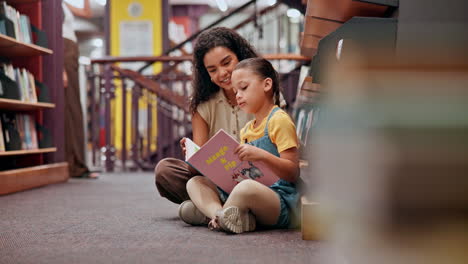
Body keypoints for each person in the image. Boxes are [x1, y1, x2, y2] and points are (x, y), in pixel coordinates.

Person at [182, 58, 300, 234]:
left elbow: (293, 172)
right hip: (243, 193)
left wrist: (261, 155)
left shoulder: (279, 120)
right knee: (195, 183)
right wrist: (200, 158)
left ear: (267, 84)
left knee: (245, 188)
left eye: (243, 88)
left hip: (278, 200)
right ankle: (226, 216)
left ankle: (218, 216)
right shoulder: (247, 130)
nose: (237, 95)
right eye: (235, 91)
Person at [154, 27, 259, 203]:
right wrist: (193, 157)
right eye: (212, 70)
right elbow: (197, 170)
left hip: (258, 177)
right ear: (206, 74)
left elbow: (279, 149)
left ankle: (209, 208)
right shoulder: (202, 104)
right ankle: (230, 207)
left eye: (226, 63)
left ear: (240, 56)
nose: (222, 73)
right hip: (217, 181)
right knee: (166, 170)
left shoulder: (263, 90)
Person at [62, 0, 98, 179]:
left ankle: (77, 164)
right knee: (71, 109)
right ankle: (74, 165)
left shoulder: (61, 5)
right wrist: (60, 68)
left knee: (75, 109)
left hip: (70, 49)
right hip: (65, 50)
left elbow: (86, 12)